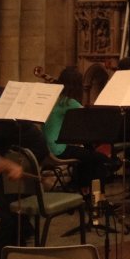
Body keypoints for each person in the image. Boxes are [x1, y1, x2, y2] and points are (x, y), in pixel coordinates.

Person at [42, 66, 112, 196]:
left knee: (87, 155)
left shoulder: (55, 100)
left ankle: (84, 187)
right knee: (100, 159)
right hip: (59, 149)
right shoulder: (69, 102)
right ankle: (97, 197)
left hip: (47, 148)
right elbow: (89, 120)